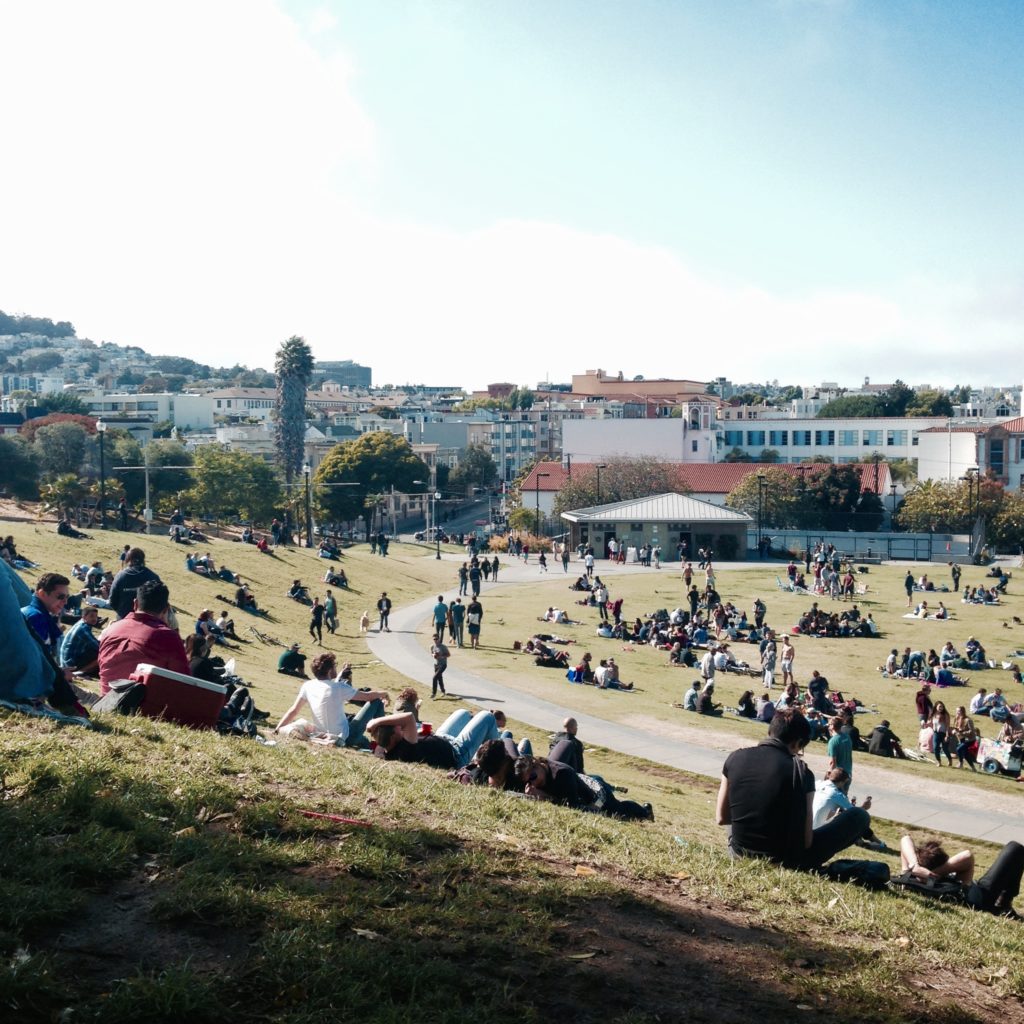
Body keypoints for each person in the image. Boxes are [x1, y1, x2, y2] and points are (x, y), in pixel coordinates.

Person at [716, 709, 871, 869]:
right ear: (797, 743)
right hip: (784, 860)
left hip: (739, 852)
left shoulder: (735, 757)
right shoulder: (802, 773)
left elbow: (722, 817)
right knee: (859, 816)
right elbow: (806, 841)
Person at [274, 655, 389, 748]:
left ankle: (371, 745)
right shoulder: (338, 687)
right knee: (377, 702)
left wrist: (278, 729)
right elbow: (368, 697)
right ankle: (384, 744)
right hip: (344, 736)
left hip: (322, 733)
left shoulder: (308, 685)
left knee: (363, 741)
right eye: (334, 665)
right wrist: (384, 693)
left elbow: (293, 711)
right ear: (329, 670)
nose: (336, 668)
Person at [97, 580, 189, 695]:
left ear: (135, 604)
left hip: (104, 703)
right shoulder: (168, 637)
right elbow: (184, 684)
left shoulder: (111, 629)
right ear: (166, 609)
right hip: (141, 709)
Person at [513, 755, 653, 821]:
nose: (533, 784)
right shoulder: (539, 775)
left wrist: (545, 797)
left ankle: (645, 811)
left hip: (597, 793)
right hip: (580, 785)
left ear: (537, 764)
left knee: (616, 811)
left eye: (532, 778)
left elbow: (573, 807)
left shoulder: (560, 774)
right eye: (528, 782)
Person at [368, 708, 505, 769]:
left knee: (462, 713)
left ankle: (482, 738)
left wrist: (420, 733)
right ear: (393, 737)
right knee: (487, 717)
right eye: (396, 727)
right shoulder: (404, 750)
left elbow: (382, 745)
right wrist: (377, 722)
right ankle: (499, 760)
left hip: (441, 737)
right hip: (457, 753)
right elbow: (409, 717)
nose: (399, 726)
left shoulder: (390, 746)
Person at [108, 548, 161, 620]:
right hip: (147, 622)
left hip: (124, 620)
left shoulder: (121, 575)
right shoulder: (153, 576)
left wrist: (122, 612)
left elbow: (112, 600)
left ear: (128, 560)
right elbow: (160, 600)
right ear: (143, 559)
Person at [58, 604, 101, 675]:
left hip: (66, 660)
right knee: (101, 655)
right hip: (70, 663)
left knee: (93, 651)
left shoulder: (81, 624)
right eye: (91, 616)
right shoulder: (83, 629)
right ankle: (80, 672)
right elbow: (98, 646)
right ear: (84, 617)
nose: (94, 619)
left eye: (96, 616)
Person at [952, 706, 978, 771]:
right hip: (961, 738)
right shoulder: (956, 718)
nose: (957, 712)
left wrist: (962, 732)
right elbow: (955, 727)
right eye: (957, 711)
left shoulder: (968, 720)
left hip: (970, 739)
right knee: (965, 754)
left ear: (963, 712)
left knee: (958, 749)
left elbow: (971, 731)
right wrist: (954, 731)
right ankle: (973, 768)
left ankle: (961, 763)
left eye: (959, 711)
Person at [931, 700, 954, 766]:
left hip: (943, 733)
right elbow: (932, 723)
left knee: (945, 749)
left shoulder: (945, 715)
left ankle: (950, 759)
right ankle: (939, 761)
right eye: (939, 706)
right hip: (936, 733)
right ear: (936, 707)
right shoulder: (934, 714)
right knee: (935, 747)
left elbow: (947, 726)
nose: (941, 708)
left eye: (942, 707)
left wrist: (947, 735)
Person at [430, 633, 450, 698]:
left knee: (434, 678)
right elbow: (432, 653)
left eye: (436, 639)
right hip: (436, 665)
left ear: (439, 639)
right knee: (439, 678)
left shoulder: (443, 647)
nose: (435, 640)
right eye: (434, 639)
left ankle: (434, 693)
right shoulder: (432, 646)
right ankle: (443, 691)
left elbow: (448, 655)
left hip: (443, 664)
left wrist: (441, 656)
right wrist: (433, 655)